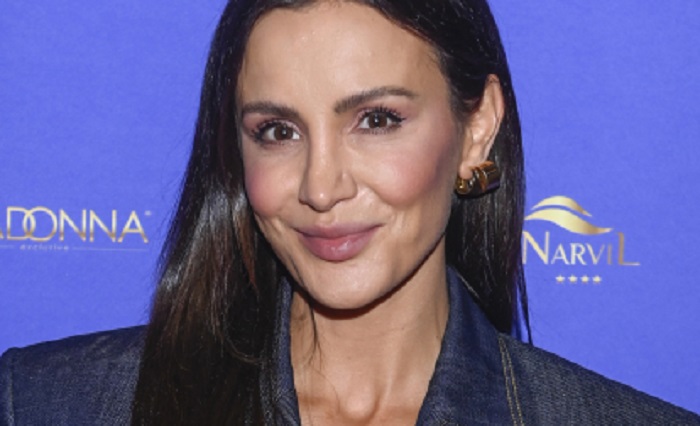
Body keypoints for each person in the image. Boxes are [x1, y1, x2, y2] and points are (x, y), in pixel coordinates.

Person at [1, 0, 698, 424]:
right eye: (278, 131)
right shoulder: (51, 404)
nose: (321, 187)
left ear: (477, 128)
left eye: (377, 119)